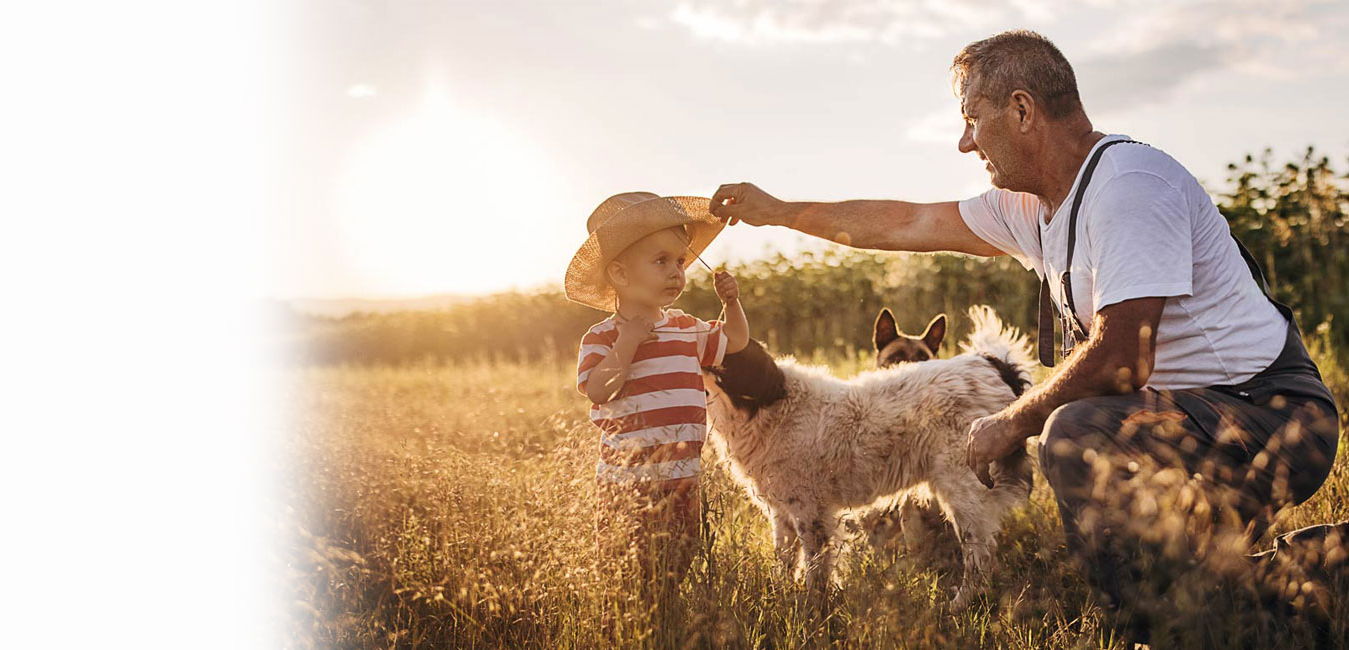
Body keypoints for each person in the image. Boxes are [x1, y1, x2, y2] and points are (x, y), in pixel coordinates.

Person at [705, 29, 1341, 640]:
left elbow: (1122, 358)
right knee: (1196, 586)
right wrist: (781, 213)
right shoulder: (1032, 205)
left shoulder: (1128, 187)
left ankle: (1156, 625)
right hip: (1190, 424)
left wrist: (1013, 421)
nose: (963, 142)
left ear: (1021, 110)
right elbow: (905, 222)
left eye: (971, 118)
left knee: (1073, 432)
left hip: (1269, 418)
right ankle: (1306, 568)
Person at [564, 191, 748, 629]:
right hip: (627, 488)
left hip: (683, 481)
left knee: (675, 567)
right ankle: (624, 630)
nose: (676, 272)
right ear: (621, 273)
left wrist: (732, 304)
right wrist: (630, 340)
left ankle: (664, 623)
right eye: (661, 261)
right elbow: (599, 390)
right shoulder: (602, 338)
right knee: (624, 577)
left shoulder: (685, 329)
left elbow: (735, 342)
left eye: (680, 262)